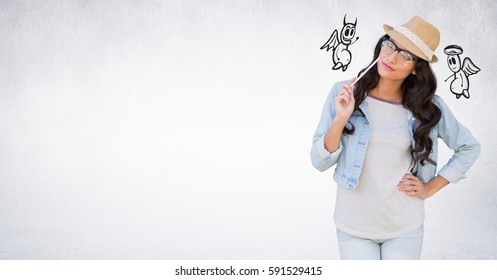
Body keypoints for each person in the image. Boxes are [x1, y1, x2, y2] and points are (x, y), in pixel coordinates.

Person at [310, 16, 481, 260]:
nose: (392, 57)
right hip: (354, 225)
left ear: (416, 68)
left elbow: (469, 147)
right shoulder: (344, 93)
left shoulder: (429, 108)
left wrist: (430, 188)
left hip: (404, 227)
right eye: (390, 45)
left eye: (407, 55)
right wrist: (340, 119)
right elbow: (319, 162)